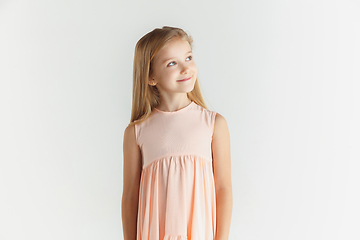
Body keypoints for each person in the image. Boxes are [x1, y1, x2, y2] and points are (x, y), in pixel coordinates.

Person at [122, 26, 232, 240]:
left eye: (188, 57)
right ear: (151, 76)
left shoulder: (213, 124)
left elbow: (223, 189)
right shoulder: (136, 132)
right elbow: (130, 197)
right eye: (172, 63)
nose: (186, 68)